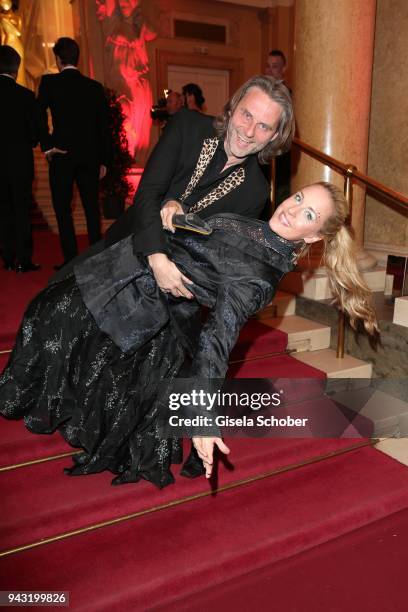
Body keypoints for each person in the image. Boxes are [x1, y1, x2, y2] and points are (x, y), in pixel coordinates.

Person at [0, 183, 378, 487]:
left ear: (313, 238)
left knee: (51, 318)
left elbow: (217, 339)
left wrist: (203, 417)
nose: (292, 210)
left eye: (307, 214)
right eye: (298, 198)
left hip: (140, 298)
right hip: (135, 271)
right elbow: (207, 240)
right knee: (55, 320)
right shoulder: (262, 230)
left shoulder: (258, 277)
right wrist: (176, 212)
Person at [37, 37, 109, 269]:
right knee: (91, 208)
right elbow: (103, 128)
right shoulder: (95, 87)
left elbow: (37, 116)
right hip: (90, 157)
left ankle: (70, 260)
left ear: (58, 59)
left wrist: (48, 145)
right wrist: (104, 160)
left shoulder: (49, 83)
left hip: (62, 155)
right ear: (76, 58)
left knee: (62, 208)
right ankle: (96, 259)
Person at [96, 0, 157, 162]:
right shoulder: (114, 24)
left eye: (128, 2)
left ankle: (132, 158)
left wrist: (139, 22)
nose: (123, 3)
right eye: (121, 3)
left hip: (137, 82)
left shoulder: (139, 25)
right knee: (124, 116)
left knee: (137, 122)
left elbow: (152, 33)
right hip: (120, 81)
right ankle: (125, 156)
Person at [0, 45, 39, 273]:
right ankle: (24, 261)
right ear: (16, 69)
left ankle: (7, 258)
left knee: (3, 211)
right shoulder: (26, 96)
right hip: (21, 164)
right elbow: (34, 136)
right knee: (22, 212)